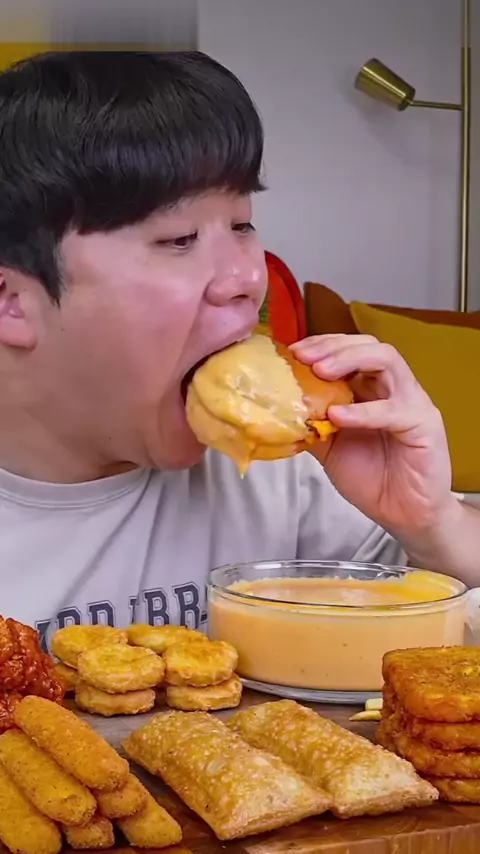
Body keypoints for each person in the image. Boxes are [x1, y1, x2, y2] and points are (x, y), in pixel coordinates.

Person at [0, 50, 478, 643]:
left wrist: (435, 523)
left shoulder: (281, 479)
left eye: (242, 224)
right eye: (180, 238)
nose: (249, 278)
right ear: (11, 300)